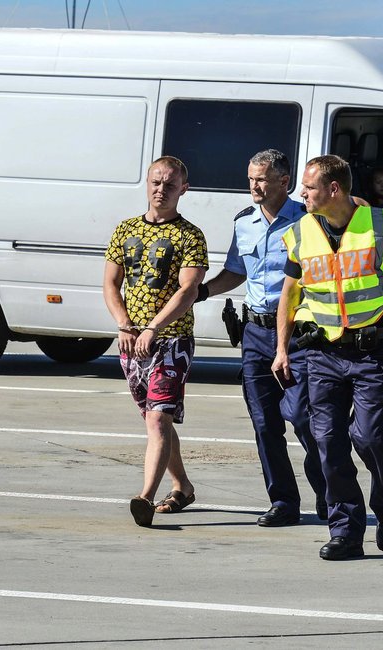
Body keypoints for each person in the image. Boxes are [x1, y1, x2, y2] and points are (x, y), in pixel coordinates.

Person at [273, 154, 383, 560]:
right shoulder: (302, 232)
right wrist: (282, 348)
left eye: (308, 188)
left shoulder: (380, 227)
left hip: (371, 352)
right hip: (322, 353)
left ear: (333, 190)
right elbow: (290, 294)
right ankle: (345, 531)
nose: (301, 194)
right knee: (327, 442)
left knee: (372, 436)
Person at [197, 149, 327, 527]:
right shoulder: (245, 222)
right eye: (251, 178)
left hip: (300, 333)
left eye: (262, 179)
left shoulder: (307, 221)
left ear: (284, 183)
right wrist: (201, 292)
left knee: (304, 417)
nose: (253, 185)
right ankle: (284, 501)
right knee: (264, 422)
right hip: (255, 333)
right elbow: (236, 271)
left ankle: (328, 489)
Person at [103, 156, 209, 528]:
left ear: (184, 188)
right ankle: (182, 486)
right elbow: (111, 283)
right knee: (155, 423)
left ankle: (144, 497)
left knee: (160, 417)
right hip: (131, 343)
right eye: (155, 182)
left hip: (171, 341)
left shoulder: (189, 235)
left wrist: (153, 328)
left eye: (169, 183)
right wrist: (125, 324)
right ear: (146, 184)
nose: (161, 189)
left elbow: (188, 290)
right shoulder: (125, 230)